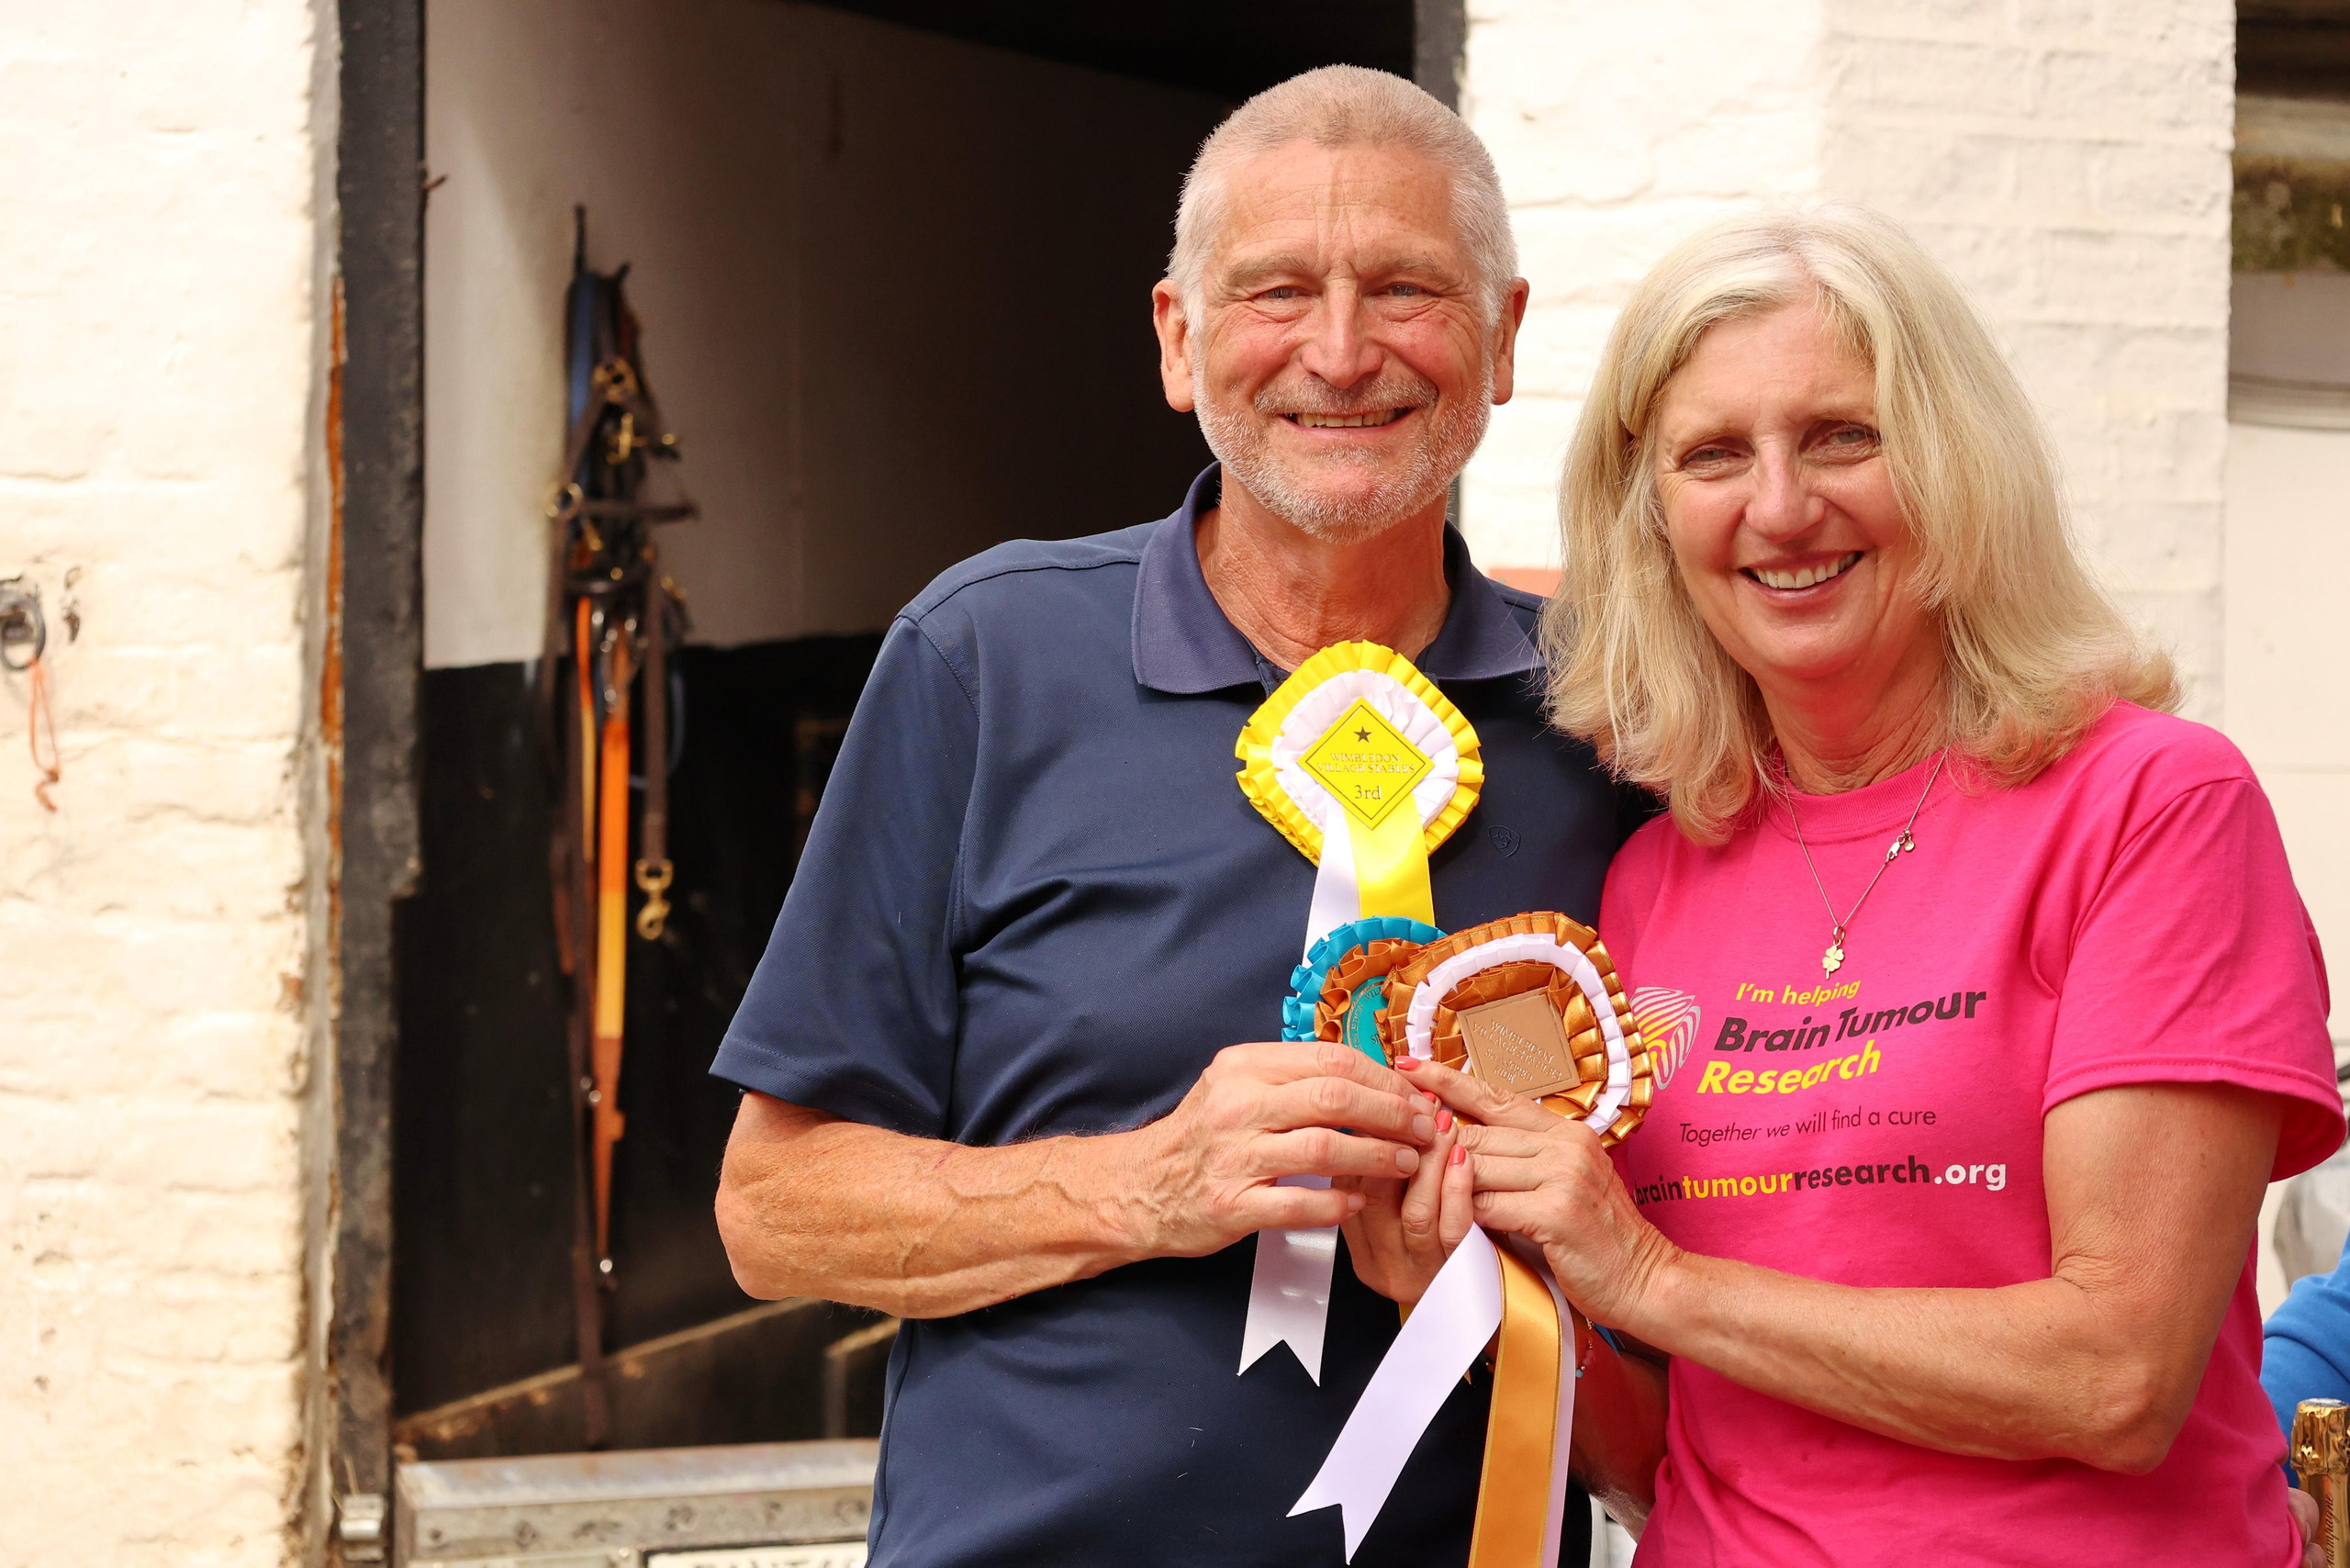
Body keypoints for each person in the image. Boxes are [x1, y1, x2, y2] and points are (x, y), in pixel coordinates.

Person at [711, 67, 1641, 1567]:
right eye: (1276, 290)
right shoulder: (983, 657)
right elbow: (772, 1213)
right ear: (1178, 337)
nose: (1340, 354)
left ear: (1505, 339)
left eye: (1405, 289)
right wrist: (1149, 1183)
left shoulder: (1614, 720)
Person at [1398, 205, 2344, 1565]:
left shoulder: (2151, 806)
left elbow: (2116, 1377)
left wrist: (1653, 1274)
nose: (1781, 507)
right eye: (1714, 455)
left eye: (1845, 435)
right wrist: (1489, 1285)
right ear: (1651, 515)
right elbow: (1661, 1455)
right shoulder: (1656, 873)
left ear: (1957, 464)